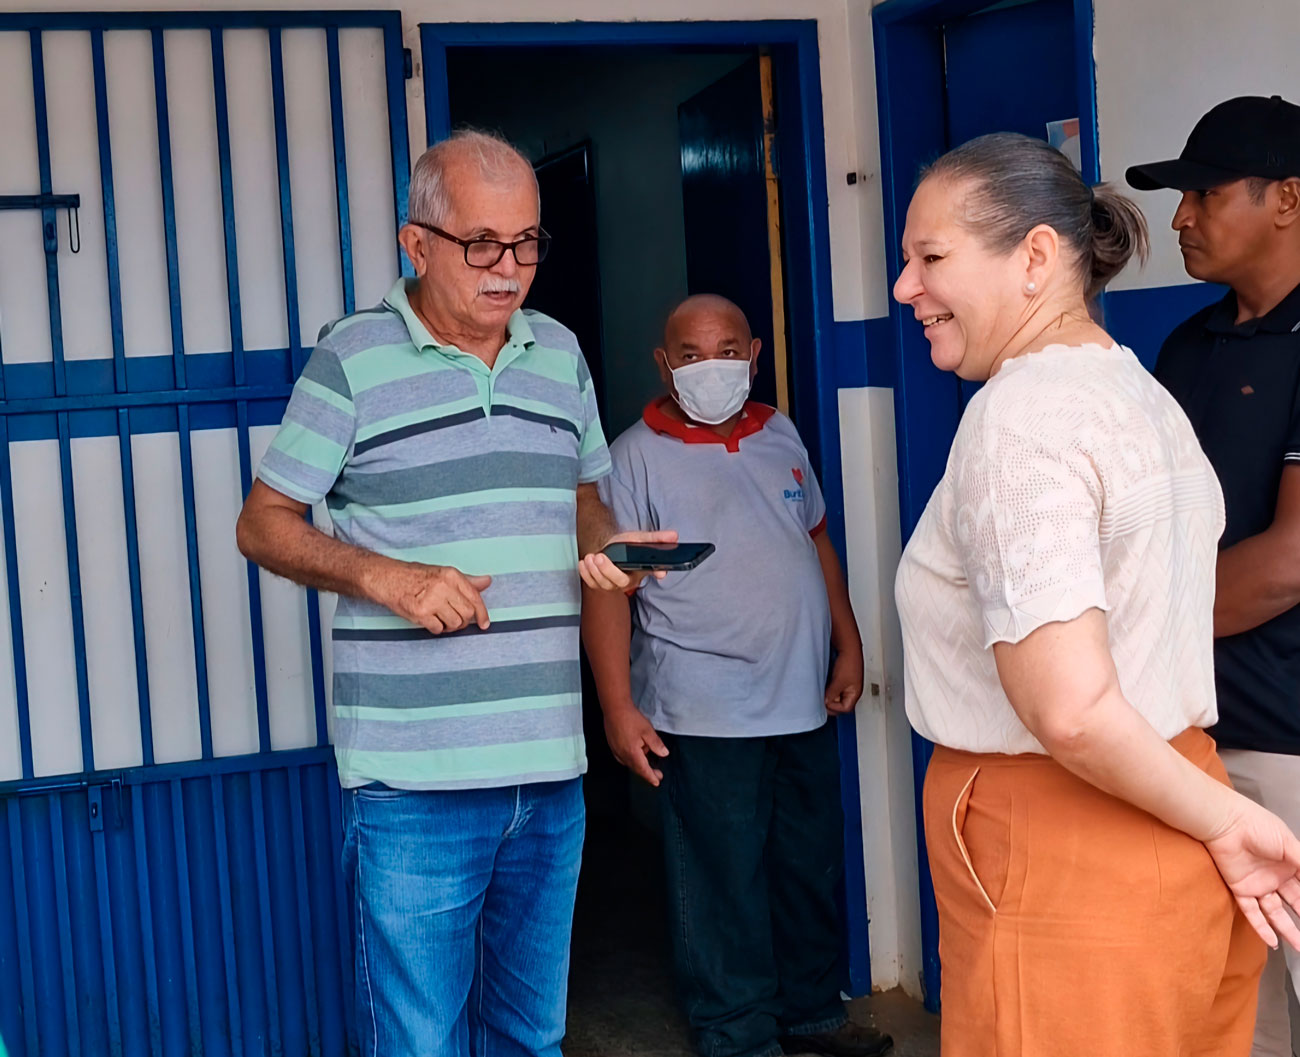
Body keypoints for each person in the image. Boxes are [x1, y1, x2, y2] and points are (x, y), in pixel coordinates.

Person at [236, 129, 672, 1057]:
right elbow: (263, 521)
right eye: (482, 243)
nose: (508, 267)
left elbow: (584, 497)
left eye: (527, 243)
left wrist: (612, 550)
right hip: (414, 784)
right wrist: (383, 575)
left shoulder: (559, 354)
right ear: (416, 242)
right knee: (424, 1044)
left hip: (549, 771)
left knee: (531, 1035)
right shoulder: (352, 360)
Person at [891, 131, 1300, 1057]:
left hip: (1065, 845)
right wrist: (1219, 815)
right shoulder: (1143, 396)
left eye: (931, 258)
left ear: (1035, 256)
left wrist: (1234, 820)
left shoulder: (1022, 416)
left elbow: (1069, 711)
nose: (904, 287)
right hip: (1176, 803)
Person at [581, 294, 893, 1057]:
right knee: (721, 883)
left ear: (754, 354)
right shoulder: (631, 458)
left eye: (725, 349)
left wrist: (848, 645)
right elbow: (607, 587)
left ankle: (812, 1014)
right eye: (689, 353)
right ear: (664, 364)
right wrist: (618, 708)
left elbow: (814, 543)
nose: (709, 366)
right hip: (702, 708)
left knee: (804, 867)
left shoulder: (779, 434)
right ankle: (737, 1033)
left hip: (799, 699)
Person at [1126, 95, 1300, 1057]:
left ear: (1287, 198)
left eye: (1203, 192)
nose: (1181, 216)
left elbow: (1287, 563)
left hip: (1289, 744)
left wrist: (1121, 642)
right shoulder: (1185, 348)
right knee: (1234, 1018)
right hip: (1191, 739)